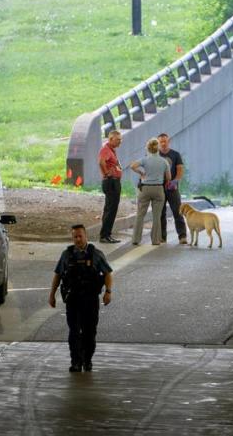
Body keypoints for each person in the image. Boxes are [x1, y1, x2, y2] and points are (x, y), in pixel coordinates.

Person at [49, 224, 114, 372]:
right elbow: (58, 274)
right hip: (73, 300)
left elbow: (108, 274)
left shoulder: (96, 254)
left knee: (89, 332)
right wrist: (52, 294)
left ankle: (87, 359)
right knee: (74, 331)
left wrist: (108, 292)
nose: (78, 239)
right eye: (75, 237)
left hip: (90, 300)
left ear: (86, 236)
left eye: (80, 236)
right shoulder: (67, 255)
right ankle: (76, 362)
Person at [129, 138, 171, 245]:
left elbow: (132, 166)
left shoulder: (144, 159)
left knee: (140, 215)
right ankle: (156, 240)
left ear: (148, 148)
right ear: (158, 149)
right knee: (157, 216)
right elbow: (169, 177)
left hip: (145, 188)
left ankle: (136, 239)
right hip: (158, 189)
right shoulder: (164, 161)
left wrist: (141, 173)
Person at [157, 133, 188, 244]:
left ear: (168, 141)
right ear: (158, 143)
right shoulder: (154, 155)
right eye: (161, 142)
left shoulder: (175, 154)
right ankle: (162, 236)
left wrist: (175, 181)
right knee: (161, 212)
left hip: (172, 187)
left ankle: (182, 236)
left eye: (165, 141)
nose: (163, 143)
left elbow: (180, 169)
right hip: (159, 187)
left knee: (177, 211)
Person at [98, 130, 123, 244]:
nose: (120, 142)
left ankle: (107, 234)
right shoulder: (106, 150)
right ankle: (105, 235)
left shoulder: (112, 150)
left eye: (120, 139)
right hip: (111, 182)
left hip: (114, 181)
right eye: (118, 140)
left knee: (110, 209)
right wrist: (107, 173)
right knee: (110, 209)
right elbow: (101, 162)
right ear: (111, 139)